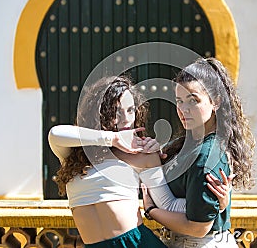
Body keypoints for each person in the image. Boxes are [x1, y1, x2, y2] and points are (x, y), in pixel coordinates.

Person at [48, 76, 225, 247]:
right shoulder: (76, 153)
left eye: (131, 110)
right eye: (117, 111)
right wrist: (112, 138)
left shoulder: (143, 153)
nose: (126, 119)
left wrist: (217, 202)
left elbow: (168, 204)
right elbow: (55, 134)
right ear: (99, 112)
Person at [140, 57, 256, 248]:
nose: (183, 109)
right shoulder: (187, 146)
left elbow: (198, 227)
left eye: (193, 100)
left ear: (216, 101)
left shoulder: (205, 156)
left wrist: (151, 210)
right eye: (179, 101)